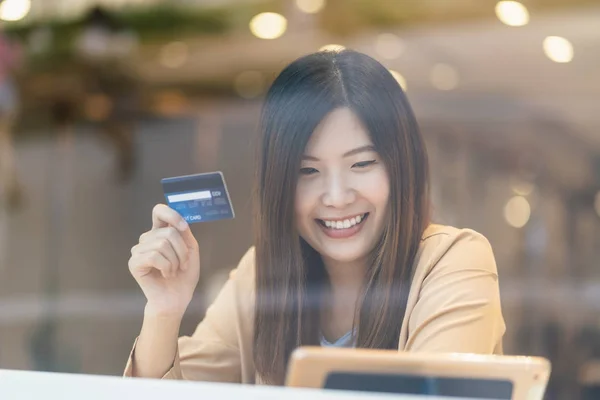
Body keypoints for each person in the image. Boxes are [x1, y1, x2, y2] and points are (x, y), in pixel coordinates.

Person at [124, 50, 505, 385]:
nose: (337, 197)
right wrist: (164, 310)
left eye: (363, 163)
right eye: (308, 171)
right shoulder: (260, 278)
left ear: (401, 167)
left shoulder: (454, 263)